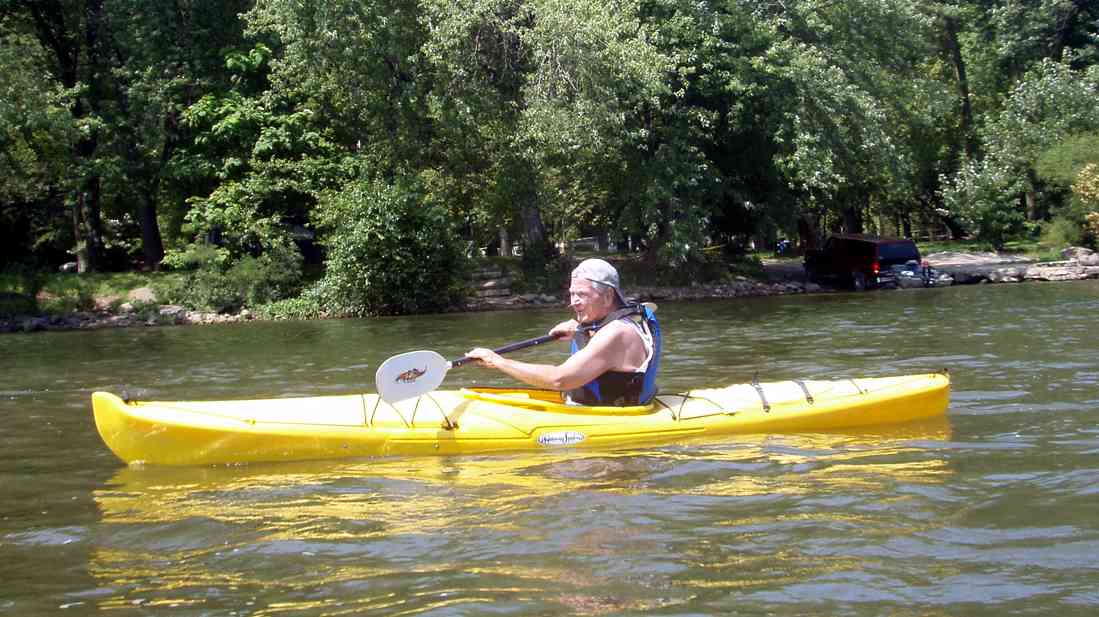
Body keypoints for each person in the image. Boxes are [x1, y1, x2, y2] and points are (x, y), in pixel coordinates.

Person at [465, 258, 661, 405]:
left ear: (608, 296)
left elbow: (559, 379)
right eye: (572, 294)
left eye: (582, 295)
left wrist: (498, 361)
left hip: (612, 422)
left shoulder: (617, 333)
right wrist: (579, 331)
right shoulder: (609, 326)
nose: (573, 301)